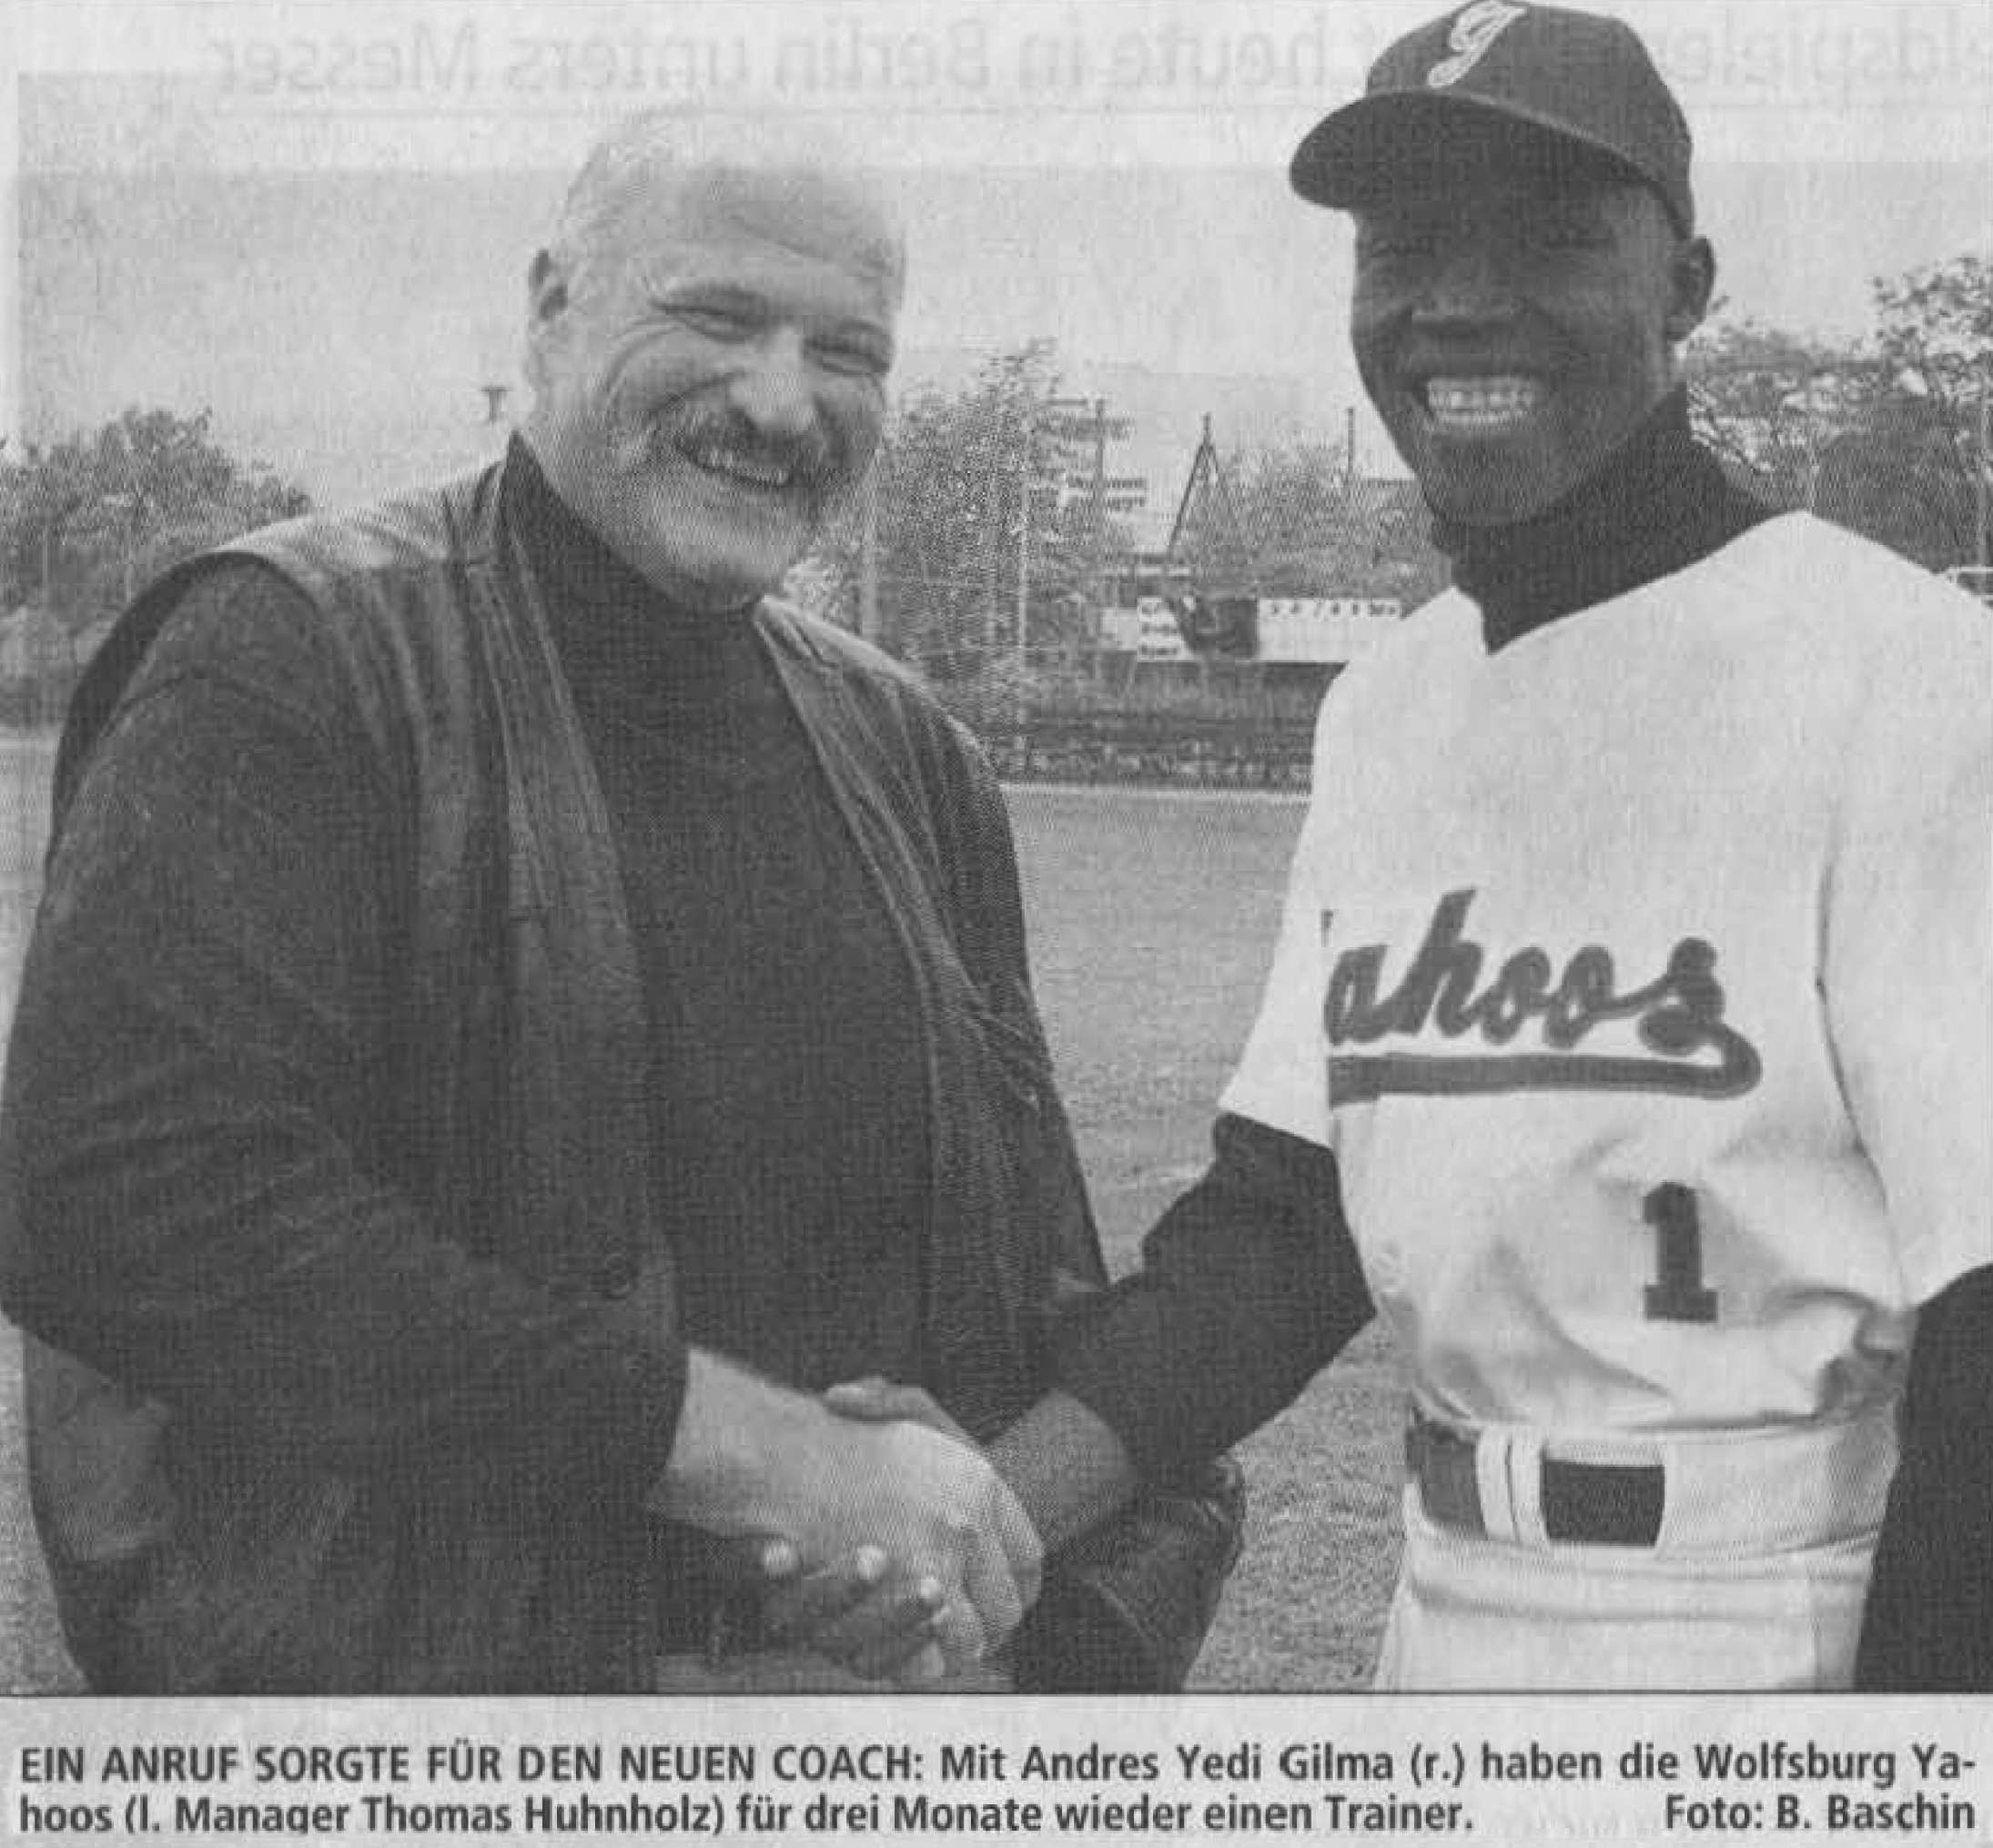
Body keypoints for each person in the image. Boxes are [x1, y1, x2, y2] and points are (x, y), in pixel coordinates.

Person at [0, 117, 1235, 1693]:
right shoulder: (293, 651)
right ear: (551, 309)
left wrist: (964, 1556)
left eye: (845, 350)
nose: (782, 400)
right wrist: (750, 1452)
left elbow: (1035, 1289)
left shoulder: (912, 752)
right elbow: (124, 1210)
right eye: (716, 319)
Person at [903, 0, 1987, 1691]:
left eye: (1551, 238)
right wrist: (979, 1506)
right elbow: (1285, 1227)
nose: (1457, 303)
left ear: (1685, 285)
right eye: (1404, 247)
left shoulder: (1907, 672)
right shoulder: (1388, 708)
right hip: (1444, 1617)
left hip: (1782, 1613)